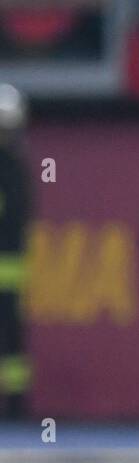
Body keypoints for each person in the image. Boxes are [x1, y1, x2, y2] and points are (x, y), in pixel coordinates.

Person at [0, 84, 30, 420]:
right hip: (12, 264)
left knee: (11, 334)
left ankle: (16, 404)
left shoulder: (15, 167)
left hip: (9, 266)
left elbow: (16, 215)